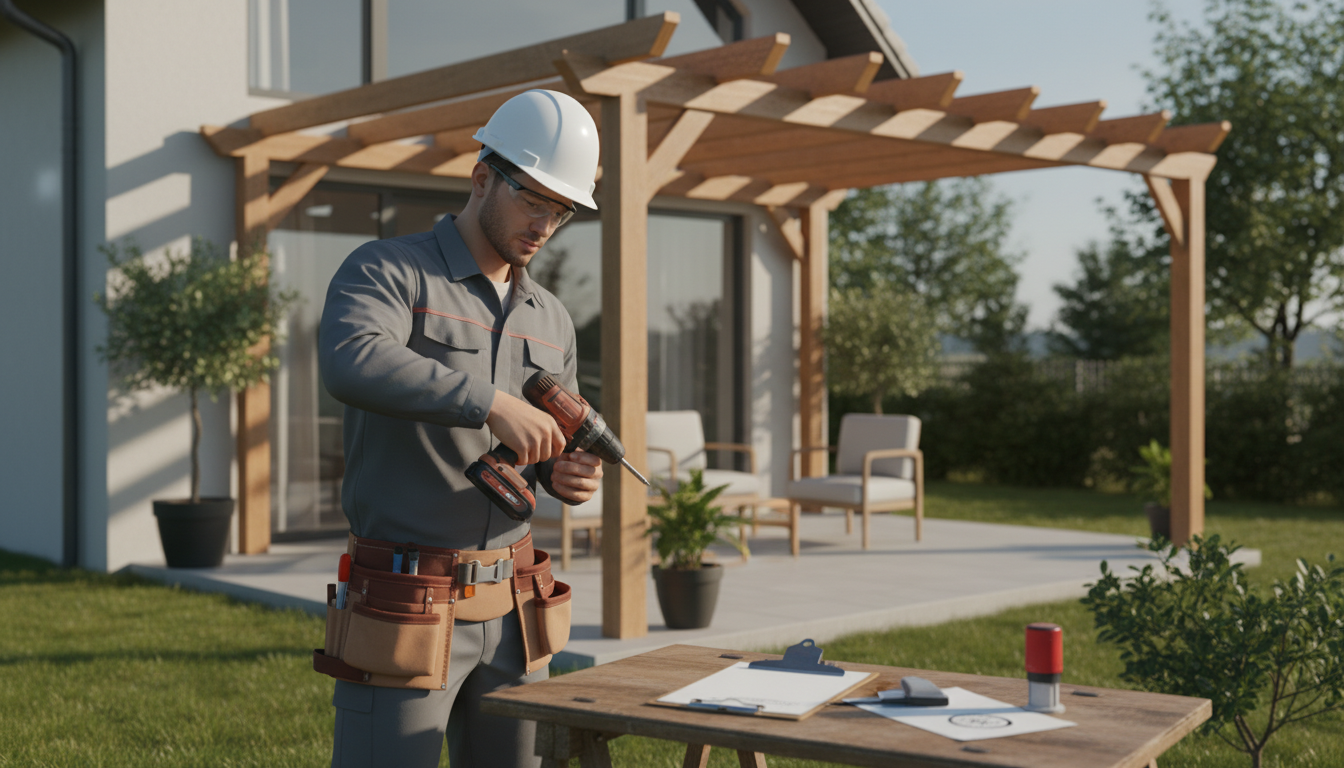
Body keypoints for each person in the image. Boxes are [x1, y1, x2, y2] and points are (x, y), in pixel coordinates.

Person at [317, 89, 603, 768]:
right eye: (534, 200)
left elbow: (541, 445)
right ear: (481, 179)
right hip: (405, 607)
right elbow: (352, 359)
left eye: (560, 211)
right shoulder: (388, 271)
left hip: (516, 612)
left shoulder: (551, 317)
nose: (545, 224)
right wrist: (488, 401)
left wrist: (563, 476)